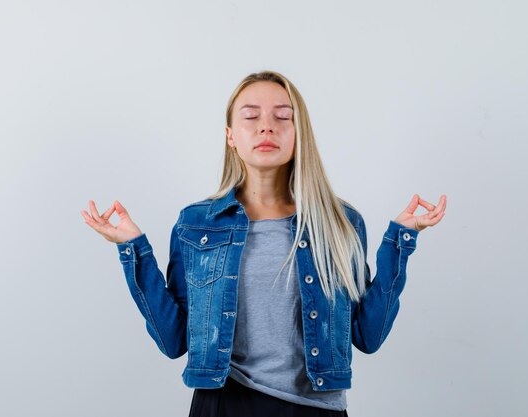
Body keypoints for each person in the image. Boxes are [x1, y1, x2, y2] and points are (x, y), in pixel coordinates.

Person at [81, 70, 447, 417]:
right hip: (222, 403)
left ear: (299, 132)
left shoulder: (341, 223)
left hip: (315, 410)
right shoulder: (196, 225)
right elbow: (173, 341)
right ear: (230, 136)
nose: (266, 126)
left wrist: (400, 240)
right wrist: (134, 250)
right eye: (251, 117)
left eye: (282, 116)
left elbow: (368, 336)